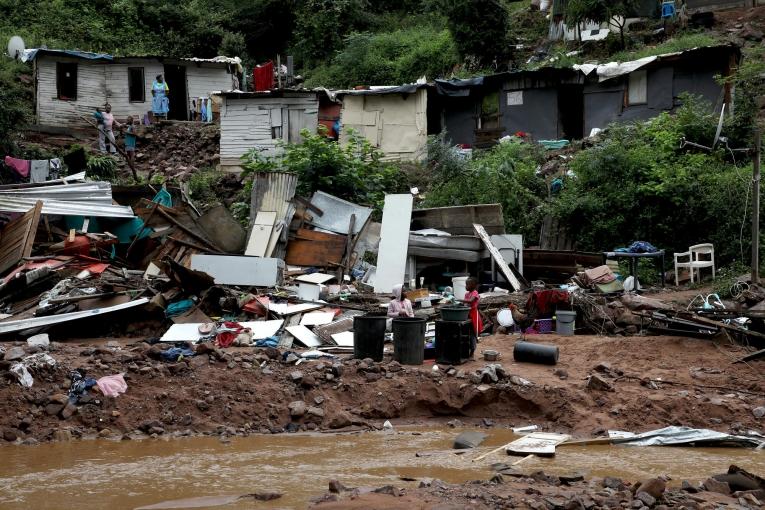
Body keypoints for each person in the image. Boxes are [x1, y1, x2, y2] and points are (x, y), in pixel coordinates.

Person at [463, 277, 482, 354]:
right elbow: (465, 304)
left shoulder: (475, 293)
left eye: (467, 284)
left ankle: (472, 352)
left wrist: (459, 299)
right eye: (466, 284)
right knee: (467, 333)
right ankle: (467, 351)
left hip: (473, 315)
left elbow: (471, 301)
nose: (466, 286)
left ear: (473, 285)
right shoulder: (466, 294)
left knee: (473, 334)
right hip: (466, 315)